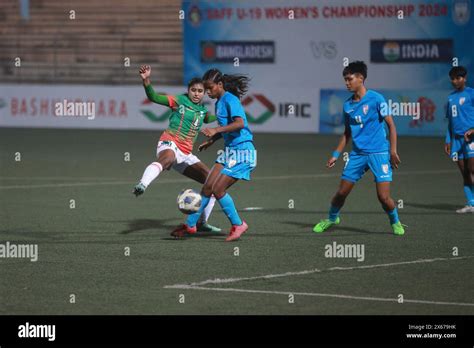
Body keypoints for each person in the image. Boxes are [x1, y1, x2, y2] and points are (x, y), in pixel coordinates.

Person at [313, 61, 405, 235]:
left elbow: (391, 126)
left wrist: (392, 151)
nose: (347, 83)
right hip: (357, 155)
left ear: (361, 78)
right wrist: (335, 155)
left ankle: (395, 221)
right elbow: (347, 133)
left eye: (349, 79)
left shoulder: (377, 99)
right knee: (341, 193)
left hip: (379, 153)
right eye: (345, 80)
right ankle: (332, 218)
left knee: (383, 198)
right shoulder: (347, 106)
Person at [171, 68, 257, 241]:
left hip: (242, 151)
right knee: (208, 187)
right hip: (229, 151)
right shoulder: (219, 102)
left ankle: (238, 224)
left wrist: (216, 129)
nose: (207, 92)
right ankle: (190, 224)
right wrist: (213, 139)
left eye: (210, 88)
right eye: (206, 89)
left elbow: (240, 123)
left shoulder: (230, 99)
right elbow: (228, 127)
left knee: (218, 189)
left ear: (220, 84)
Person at [133, 65, 221, 232]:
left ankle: (202, 223)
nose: (196, 93)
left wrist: (230, 111)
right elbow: (154, 97)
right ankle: (142, 184)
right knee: (167, 159)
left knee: (212, 182)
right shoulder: (179, 101)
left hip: (186, 154)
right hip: (169, 143)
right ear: (188, 91)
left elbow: (215, 117)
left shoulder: (203, 112)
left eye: (200, 91)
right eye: (193, 90)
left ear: (204, 93)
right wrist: (146, 80)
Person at [444, 66, 474, 213]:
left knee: (472, 169)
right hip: (456, 141)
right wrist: (448, 140)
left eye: (458, 78)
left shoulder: (471, 94)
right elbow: (450, 122)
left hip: (471, 139)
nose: (455, 81)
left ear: (465, 78)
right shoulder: (450, 98)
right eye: (453, 79)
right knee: (464, 172)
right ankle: (471, 203)